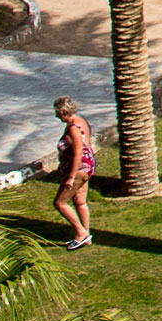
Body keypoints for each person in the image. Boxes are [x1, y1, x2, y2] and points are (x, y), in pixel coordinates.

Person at [51, 97, 95, 249]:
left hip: (78, 169)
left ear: (64, 112)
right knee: (79, 201)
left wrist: (71, 177)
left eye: (58, 113)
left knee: (60, 203)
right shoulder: (80, 121)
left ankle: (81, 232)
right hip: (87, 167)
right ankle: (86, 236)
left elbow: (78, 153)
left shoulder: (73, 128)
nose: (56, 116)